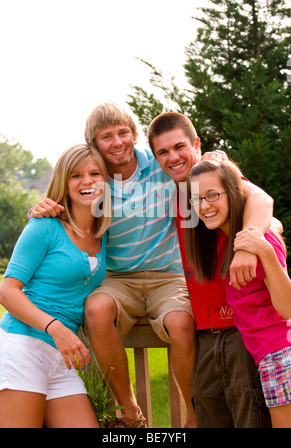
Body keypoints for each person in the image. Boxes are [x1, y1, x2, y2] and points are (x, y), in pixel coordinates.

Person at [28, 102, 197, 428]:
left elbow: (193, 162)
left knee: (181, 322)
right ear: (93, 143)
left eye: (123, 133)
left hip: (168, 275)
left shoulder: (160, 166)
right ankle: (130, 411)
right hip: (118, 278)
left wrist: (214, 157)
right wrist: (40, 209)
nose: (117, 142)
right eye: (106, 137)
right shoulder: (94, 178)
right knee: (95, 309)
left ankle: (193, 417)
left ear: (134, 135)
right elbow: (61, 206)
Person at [147, 111, 273, 427]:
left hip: (242, 330)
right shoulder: (178, 192)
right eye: (162, 152)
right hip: (205, 332)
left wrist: (246, 246)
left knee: (251, 416)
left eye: (179, 147)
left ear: (197, 144)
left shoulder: (217, 177)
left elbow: (261, 199)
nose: (173, 157)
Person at [0, 144, 111, 428]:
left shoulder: (102, 232)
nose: (87, 181)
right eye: (76, 175)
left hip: (62, 359)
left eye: (95, 173)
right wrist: (55, 327)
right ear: (64, 181)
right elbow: (7, 290)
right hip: (23, 347)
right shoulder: (44, 226)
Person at [185, 159, 291, 428]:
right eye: (197, 199)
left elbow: (288, 307)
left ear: (232, 192)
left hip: (280, 355)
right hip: (266, 357)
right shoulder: (235, 238)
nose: (205, 206)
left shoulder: (258, 240)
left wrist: (264, 250)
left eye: (212, 195)